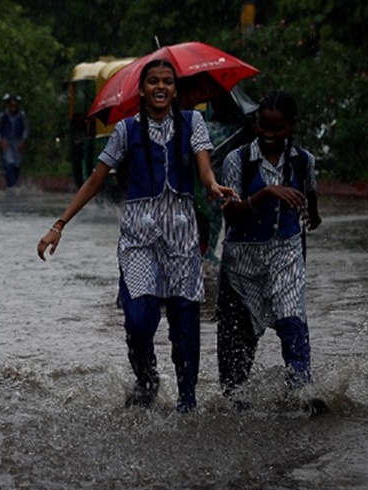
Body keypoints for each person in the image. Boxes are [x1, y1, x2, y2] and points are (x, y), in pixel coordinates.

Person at [36, 59, 236, 413]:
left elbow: (205, 170)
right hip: (139, 241)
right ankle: (147, 378)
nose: (161, 87)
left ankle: (187, 405)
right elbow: (95, 180)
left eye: (168, 82)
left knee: (185, 327)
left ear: (175, 90)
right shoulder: (126, 130)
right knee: (139, 321)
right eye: (154, 82)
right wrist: (59, 225)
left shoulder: (193, 123)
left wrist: (213, 185)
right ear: (141, 90)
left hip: (182, 239)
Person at [216, 90, 325, 415]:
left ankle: (303, 392)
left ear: (290, 127)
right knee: (238, 342)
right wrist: (265, 193)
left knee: (293, 322)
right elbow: (231, 214)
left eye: (277, 129)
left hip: (286, 255)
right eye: (263, 127)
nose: (268, 135)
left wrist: (310, 214)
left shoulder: (304, 161)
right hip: (242, 265)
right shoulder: (238, 161)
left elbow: (311, 199)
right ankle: (235, 400)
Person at [0, 94, 28, 188]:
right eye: (11, 106)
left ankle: (14, 184)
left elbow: (26, 129)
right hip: (7, 142)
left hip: (17, 142)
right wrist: (1, 140)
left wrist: (23, 140)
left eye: (15, 106)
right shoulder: (3, 116)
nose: (13, 108)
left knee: (17, 165)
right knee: (9, 164)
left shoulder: (21, 116)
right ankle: (10, 185)